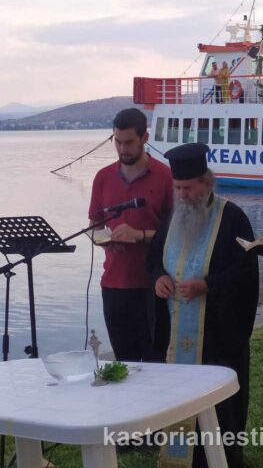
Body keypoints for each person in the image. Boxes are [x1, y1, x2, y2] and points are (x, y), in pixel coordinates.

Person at [147, 143, 259, 468]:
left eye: (188, 188)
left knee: (219, 406)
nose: (182, 195)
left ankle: (221, 460)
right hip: (176, 329)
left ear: (207, 183)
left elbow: (245, 272)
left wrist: (207, 285)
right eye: (177, 188)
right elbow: (153, 259)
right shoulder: (172, 217)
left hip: (217, 336)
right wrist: (158, 278)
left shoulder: (232, 218)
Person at [88, 108, 173, 362]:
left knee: (155, 362)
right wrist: (104, 240)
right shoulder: (102, 177)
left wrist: (139, 235)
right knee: (124, 363)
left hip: (153, 285)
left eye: (129, 142)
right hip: (113, 284)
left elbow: (176, 235)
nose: (123, 149)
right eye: (118, 142)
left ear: (145, 137)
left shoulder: (165, 176)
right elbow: (93, 226)